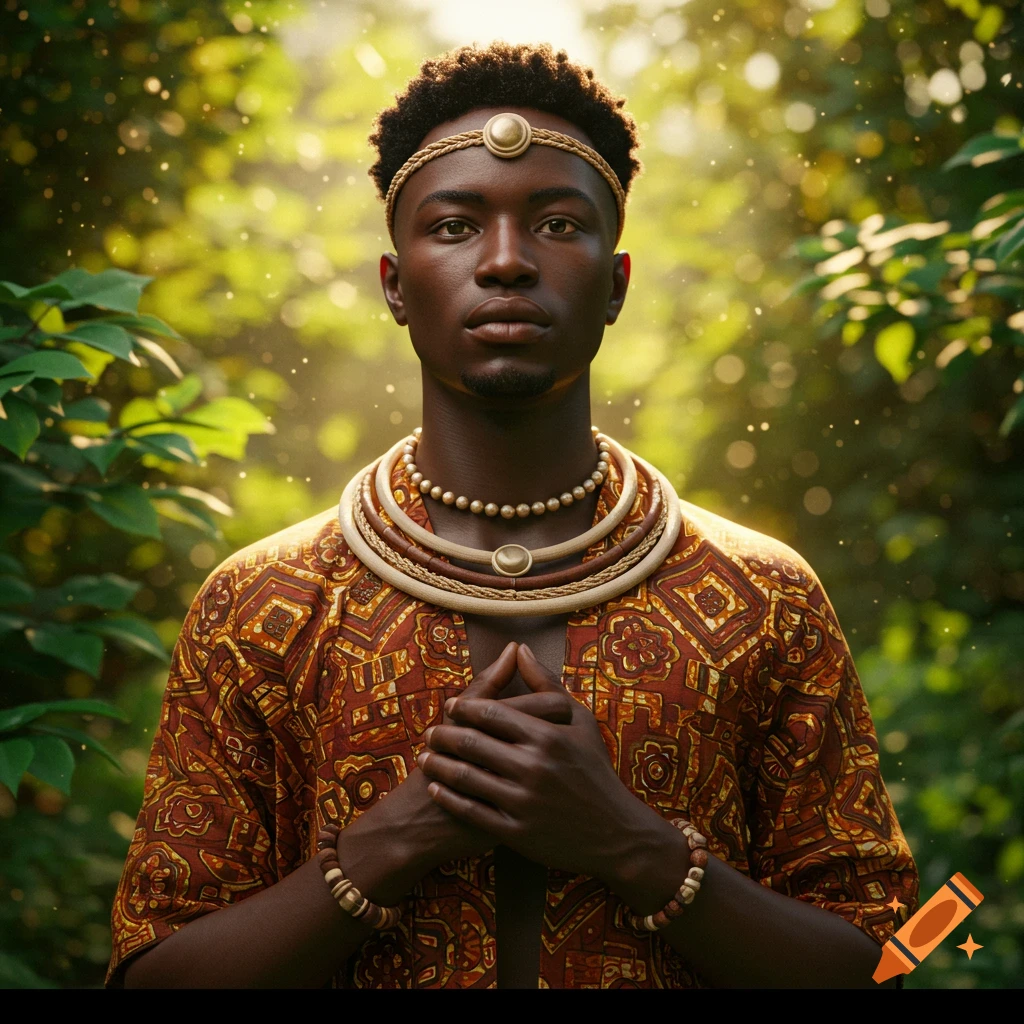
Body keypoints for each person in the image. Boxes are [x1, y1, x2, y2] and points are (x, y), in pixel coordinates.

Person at [108, 42, 918, 989]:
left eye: (557, 223)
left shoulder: (762, 595)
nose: (504, 262)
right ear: (394, 285)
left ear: (614, 285)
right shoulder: (259, 605)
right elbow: (148, 974)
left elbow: (893, 962)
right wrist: (388, 844)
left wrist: (631, 845)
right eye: (454, 227)